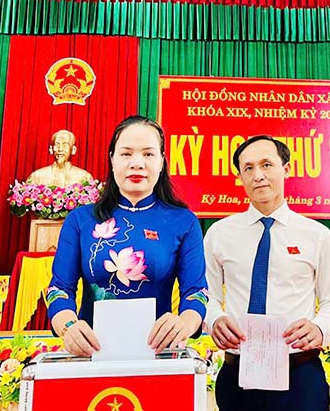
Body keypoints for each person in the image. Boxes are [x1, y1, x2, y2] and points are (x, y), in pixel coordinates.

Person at [204, 135, 330, 411]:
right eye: (248, 168)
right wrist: (215, 319)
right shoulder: (219, 234)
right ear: (239, 177)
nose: (258, 175)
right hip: (237, 374)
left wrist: (319, 327)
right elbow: (206, 296)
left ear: (286, 169)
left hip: (300, 376)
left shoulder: (317, 235)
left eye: (267, 165)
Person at [46, 116, 208, 356]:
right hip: (91, 354)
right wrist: (68, 326)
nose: (137, 163)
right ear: (112, 159)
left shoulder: (184, 222)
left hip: (158, 354)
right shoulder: (80, 220)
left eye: (148, 154)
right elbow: (59, 289)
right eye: (126, 153)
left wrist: (185, 323)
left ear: (162, 161)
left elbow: (196, 291)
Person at [27, 129, 93, 187]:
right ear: (51, 149)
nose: (60, 149)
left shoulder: (84, 177)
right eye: (57, 145)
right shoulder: (36, 176)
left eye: (65, 145)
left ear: (73, 150)